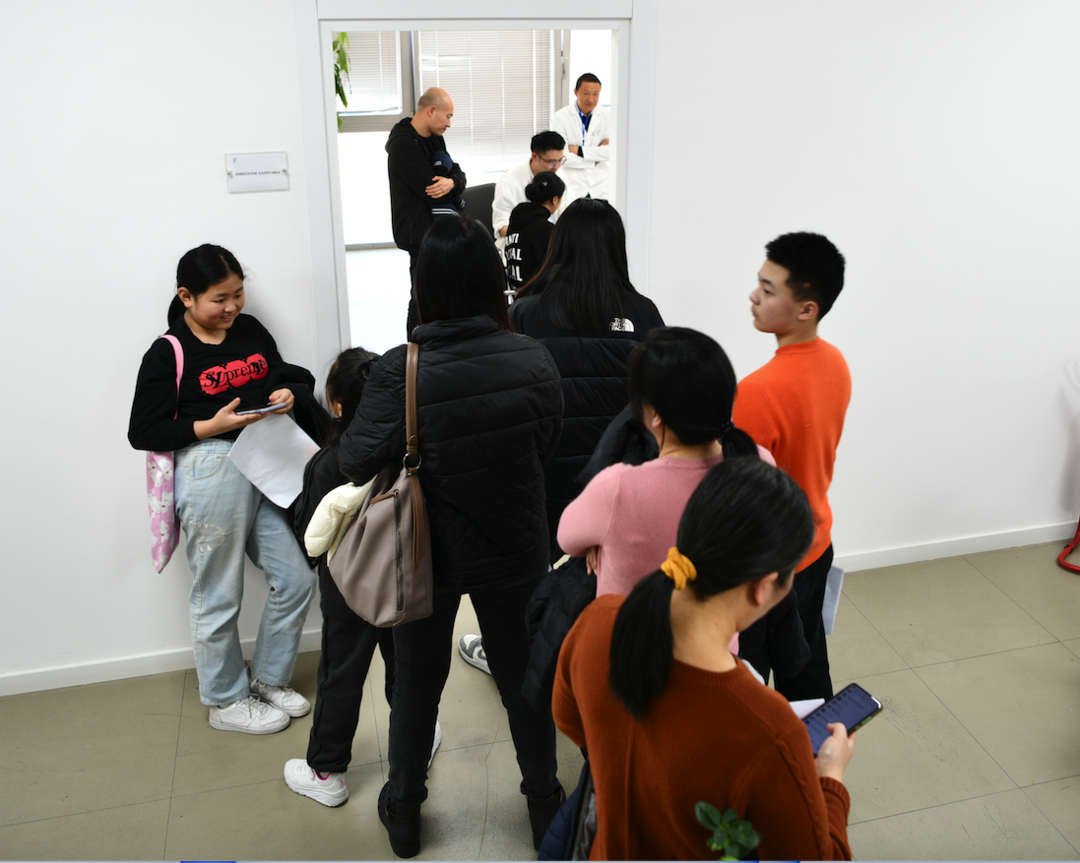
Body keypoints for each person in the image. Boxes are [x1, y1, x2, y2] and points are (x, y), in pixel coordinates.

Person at [338, 216, 566, 858]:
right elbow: (546, 444)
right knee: (525, 683)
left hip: (423, 554)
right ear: (491, 281)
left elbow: (354, 460)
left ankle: (405, 812)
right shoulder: (532, 357)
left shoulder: (400, 369)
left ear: (425, 285)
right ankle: (544, 805)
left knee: (417, 685)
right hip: (517, 544)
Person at [553, 458, 855, 860]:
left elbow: (570, 721)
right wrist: (830, 778)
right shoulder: (770, 729)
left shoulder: (596, 623)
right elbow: (820, 856)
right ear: (764, 587)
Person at [457, 198, 663, 677]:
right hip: (618, 480)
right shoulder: (644, 313)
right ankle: (602, 663)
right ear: (617, 247)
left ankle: (516, 657)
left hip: (542, 476)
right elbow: (661, 395)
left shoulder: (526, 312)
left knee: (529, 574)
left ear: (558, 245)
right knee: (612, 576)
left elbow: (504, 395)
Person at [128, 244, 317, 734]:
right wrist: (208, 427)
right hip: (210, 468)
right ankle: (226, 700)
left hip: (262, 461)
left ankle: (267, 678)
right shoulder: (167, 350)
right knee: (218, 592)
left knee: (296, 578)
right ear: (186, 297)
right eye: (219, 298)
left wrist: (285, 392)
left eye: (238, 293)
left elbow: (276, 370)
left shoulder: (249, 329)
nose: (232, 306)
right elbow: (142, 431)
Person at [283, 347, 442, 808]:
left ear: (336, 405)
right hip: (403, 578)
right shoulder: (410, 453)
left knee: (341, 675)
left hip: (346, 587)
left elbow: (309, 535)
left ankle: (326, 772)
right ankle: (418, 739)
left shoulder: (329, 462)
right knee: (405, 669)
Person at [557, 327, 774, 602]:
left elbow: (567, 539)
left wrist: (598, 538)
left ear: (655, 415)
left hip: (632, 628)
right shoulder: (759, 463)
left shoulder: (618, 489)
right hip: (724, 628)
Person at [733, 231, 851, 702]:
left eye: (767, 289)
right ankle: (823, 746)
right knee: (806, 671)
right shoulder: (836, 363)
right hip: (816, 544)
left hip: (768, 568)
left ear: (807, 309)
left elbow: (735, 503)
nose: (753, 296)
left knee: (747, 689)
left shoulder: (757, 392)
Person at [385, 87, 466, 330]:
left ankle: (437, 346)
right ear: (432, 110)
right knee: (421, 299)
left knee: (442, 295)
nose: (449, 123)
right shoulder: (402, 144)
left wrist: (452, 182)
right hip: (418, 233)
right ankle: (415, 349)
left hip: (436, 230)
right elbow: (431, 189)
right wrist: (451, 182)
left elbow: (456, 172)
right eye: (448, 116)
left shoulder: (434, 136)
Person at [491, 130, 566, 255]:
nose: (557, 167)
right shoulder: (509, 182)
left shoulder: (559, 175)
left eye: (560, 160)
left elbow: (565, 211)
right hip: (518, 249)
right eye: (552, 162)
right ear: (535, 157)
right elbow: (501, 228)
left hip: (550, 244)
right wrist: (536, 232)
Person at [550, 73, 611, 205]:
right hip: (573, 185)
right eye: (586, 93)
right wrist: (595, 161)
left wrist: (579, 151)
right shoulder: (561, 117)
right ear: (576, 92)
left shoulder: (607, 115)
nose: (591, 99)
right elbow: (562, 157)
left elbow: (611, 152)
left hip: (601, 185)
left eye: (596, 94)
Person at [504, 170, 564, 294]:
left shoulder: (517, 219)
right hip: (536, 296)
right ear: (555, 199)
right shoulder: (545, 229)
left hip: (516, 293)